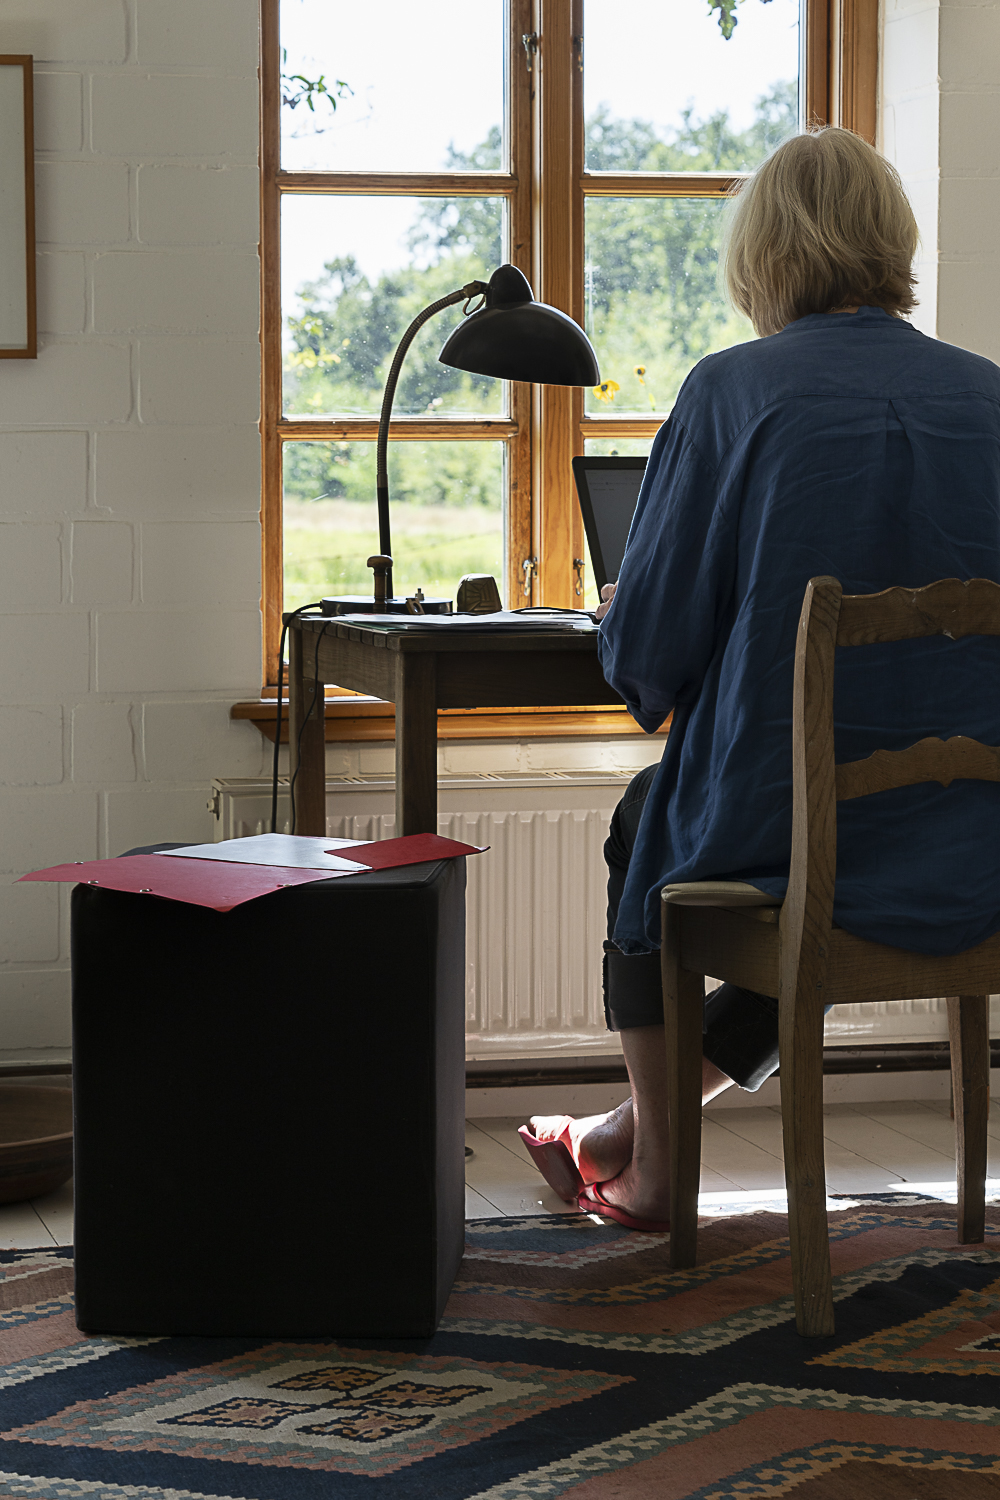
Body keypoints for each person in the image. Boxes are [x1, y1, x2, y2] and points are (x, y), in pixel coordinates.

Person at [520, 126, 1000, 1231]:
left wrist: (626, 625)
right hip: (976, 828)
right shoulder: (986, 395)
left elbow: (649, 647)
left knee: (653, 833)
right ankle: (622, 1135)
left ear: (763, 255)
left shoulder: (735, 392)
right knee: (817, 885)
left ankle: (652, 1173)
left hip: (791, 823)